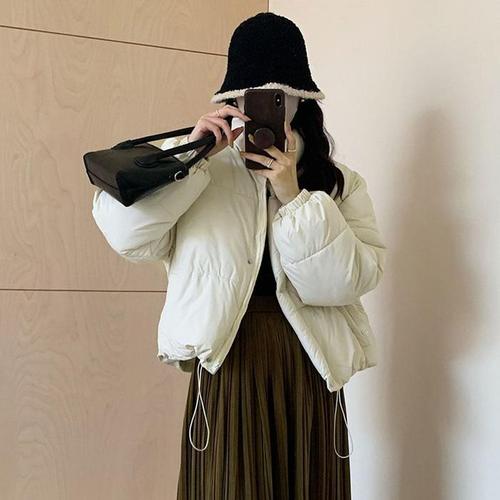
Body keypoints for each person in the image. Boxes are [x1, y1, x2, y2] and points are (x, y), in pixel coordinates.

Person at [91, 12, 386, 500]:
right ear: (233, 98)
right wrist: (190, 158)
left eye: (280, 96)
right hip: (230, 360)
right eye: (255, 95)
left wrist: (293, 196)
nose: (268, 107)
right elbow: (126, 235)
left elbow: (347, 282)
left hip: (309, 360)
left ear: (301, 100)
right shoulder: (195, 165)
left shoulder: (336, 182)